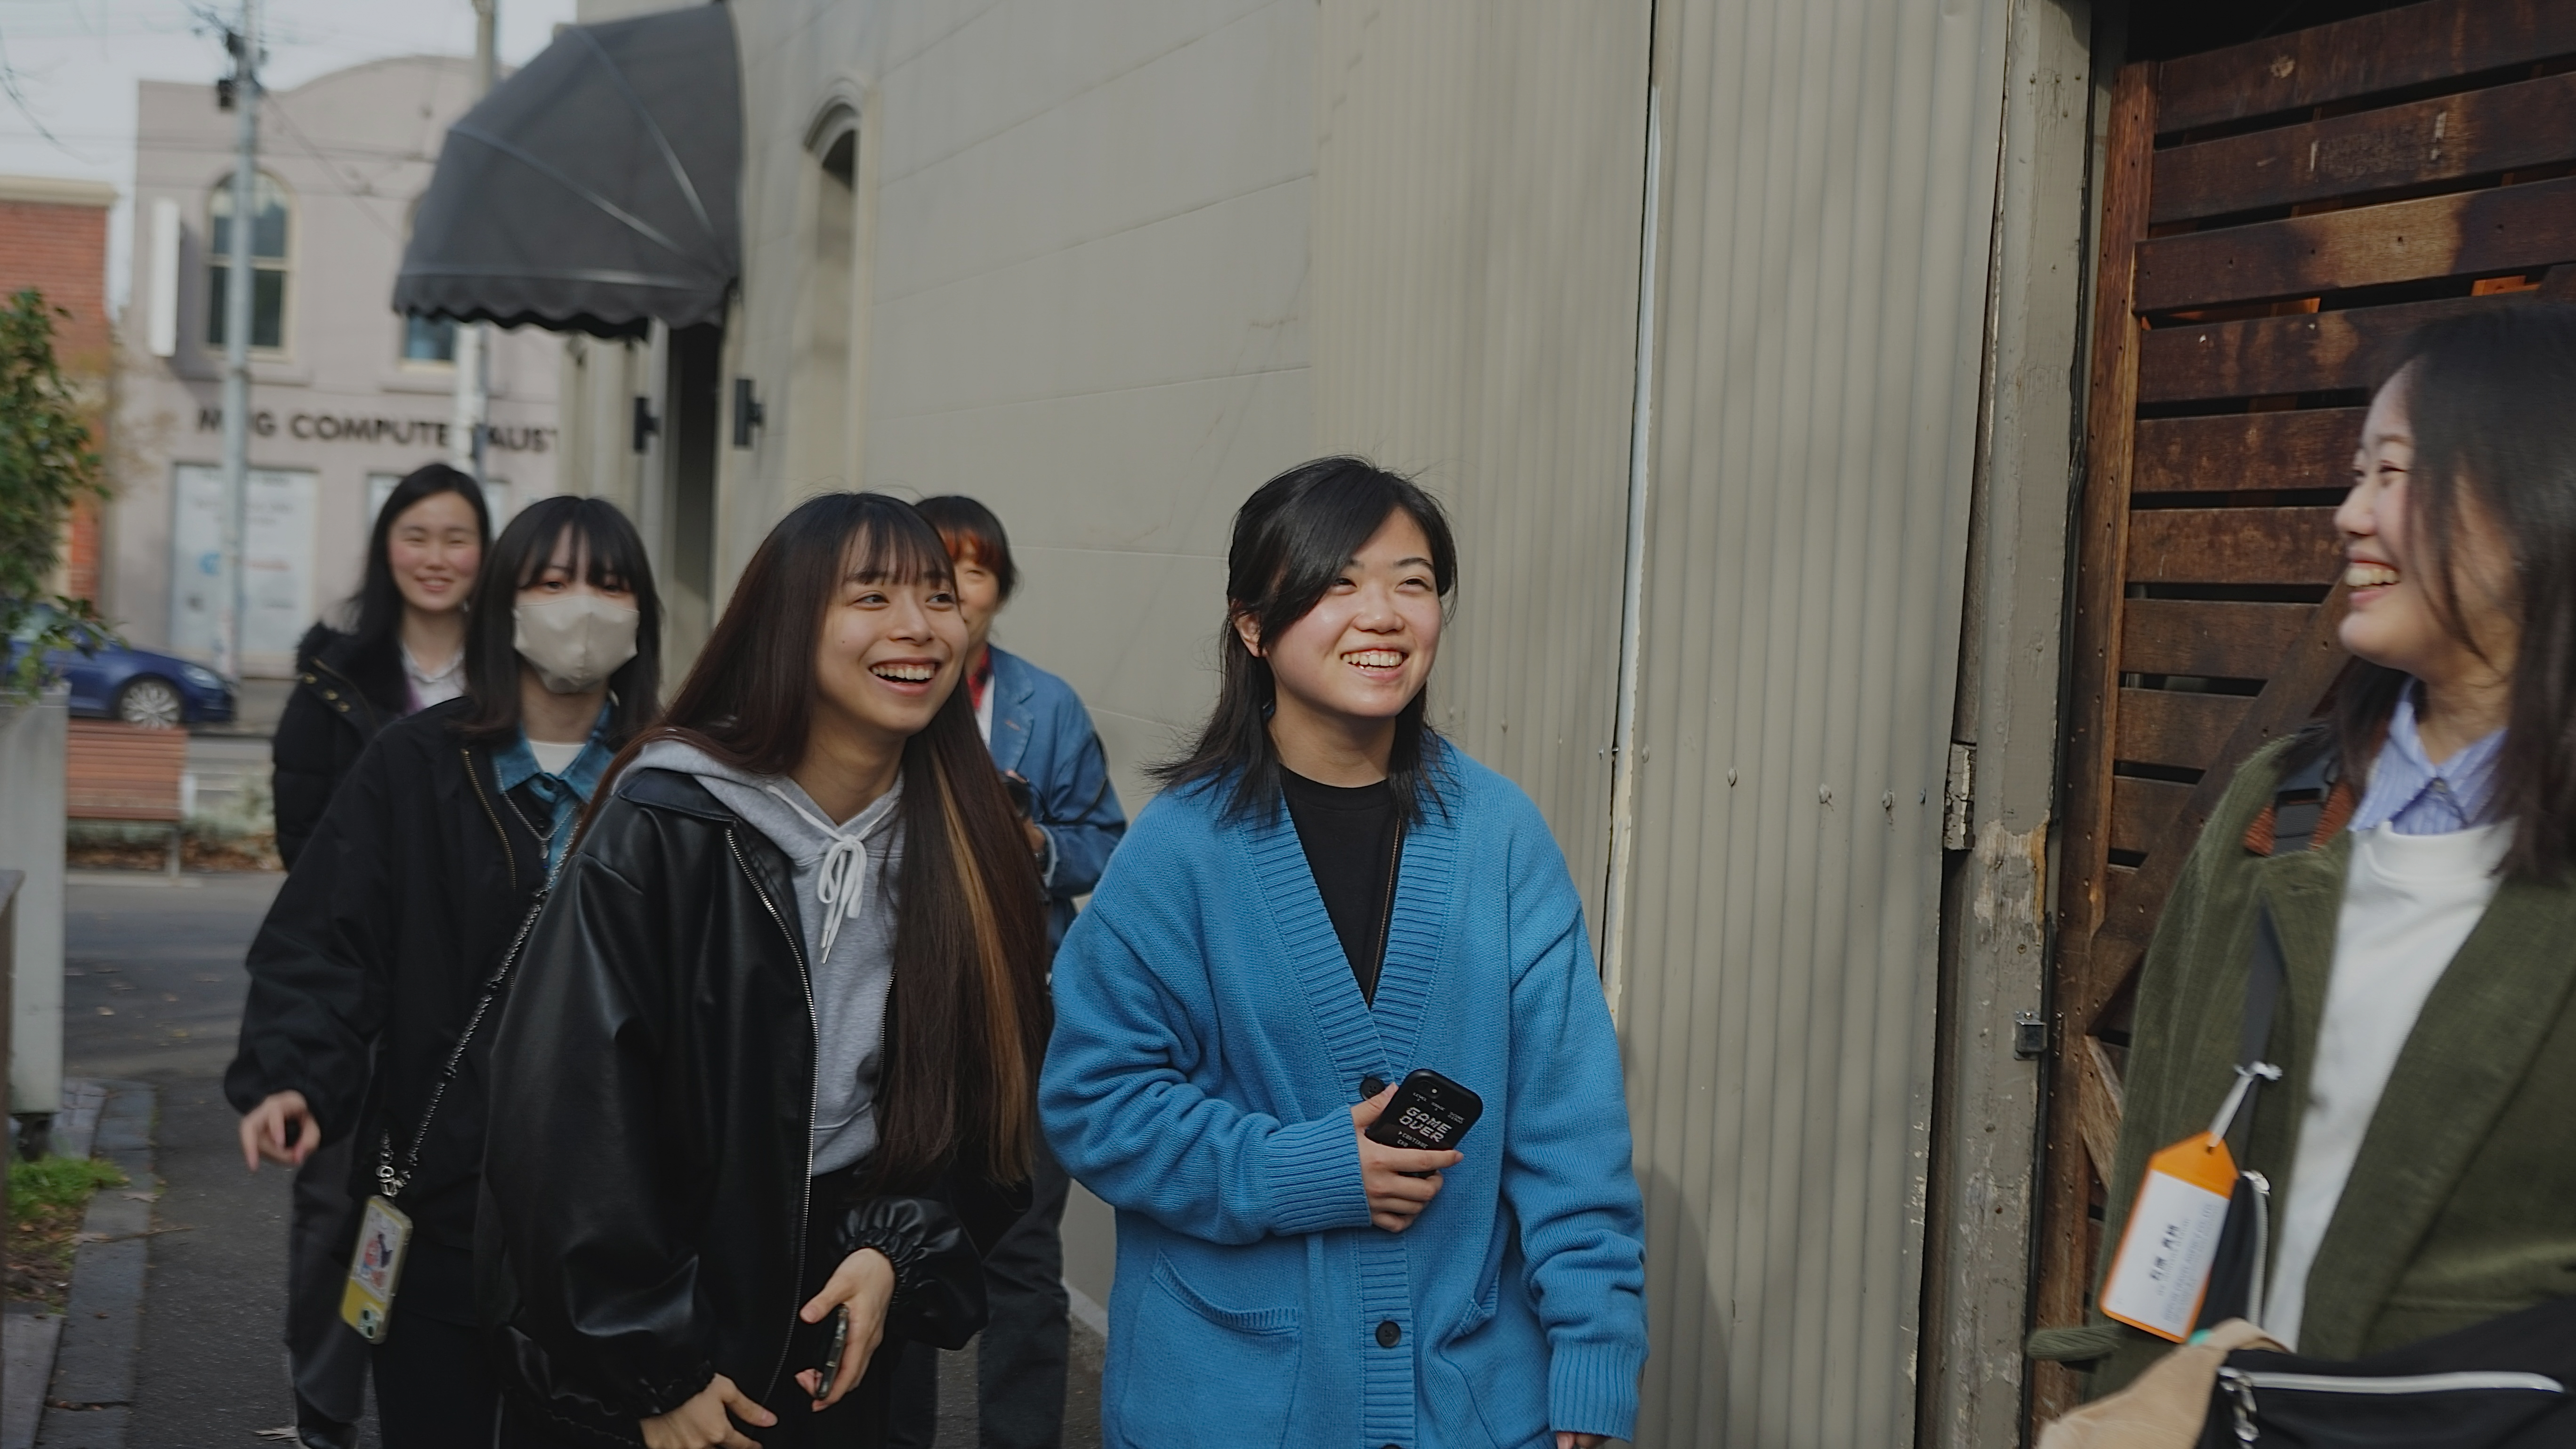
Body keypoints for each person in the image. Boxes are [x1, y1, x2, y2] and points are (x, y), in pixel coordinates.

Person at [1040, 458, 1648, 1449]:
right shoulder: (1180, 851)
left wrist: (1593, 1355)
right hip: (1230, 1404)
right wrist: (1304, 1169)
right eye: (1338, 583)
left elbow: (1570, 1130)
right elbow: (1094, 1103)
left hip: (1471, 1402)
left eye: (1413, 583)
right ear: (1252, 624)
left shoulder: (1500, 837)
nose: (1383, 615)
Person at [2029, 306, 2576, 1390]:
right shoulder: (2281, 806)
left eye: (2394, 473)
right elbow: (2162, 1145)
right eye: (2356, 473)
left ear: (2534, 504)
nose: (2349, 514)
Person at [480, 492, 1050, 1449]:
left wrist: (896, 1253)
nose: (919, 627)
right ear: (789, 623)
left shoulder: (972, 841)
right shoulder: (669, 821)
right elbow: (567, 1116)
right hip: (658, 1296)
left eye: (938, 597)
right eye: (872, 596)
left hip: (837, 1315)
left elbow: (993, 1112)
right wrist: (654, 1367)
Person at [226, 495, 662, 1446]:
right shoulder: (415, 764)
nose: (582, 605)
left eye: (609, 583)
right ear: (504, 602)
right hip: (438, 1195)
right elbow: (327, 937)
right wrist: (294, 1071)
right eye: (552, 581)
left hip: (617, 1221)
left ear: (643, 611)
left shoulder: (674, 782)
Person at [888, 497, 1125, 1449]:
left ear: (998, 590)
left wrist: (1032, 846)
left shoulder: (1044, 705)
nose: (951, 591)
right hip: (897, 1016)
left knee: (1023, 1251)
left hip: (1022, 1013)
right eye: (928, 573)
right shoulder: (873, 691)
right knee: (890, 1239)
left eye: (972, 572)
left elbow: (1104, 838)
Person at [265, 462, 489, 1449]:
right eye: (417, 535)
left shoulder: (512, 673)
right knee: (338, 1210)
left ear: (485, 555)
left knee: (435, 1212)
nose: (436, 557)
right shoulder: (335, 674)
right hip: (361, 996)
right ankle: (327, 1404)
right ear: (386, 546)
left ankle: (424, 1385)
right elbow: (305, 837)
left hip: (475, 1001)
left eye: (457, 537)